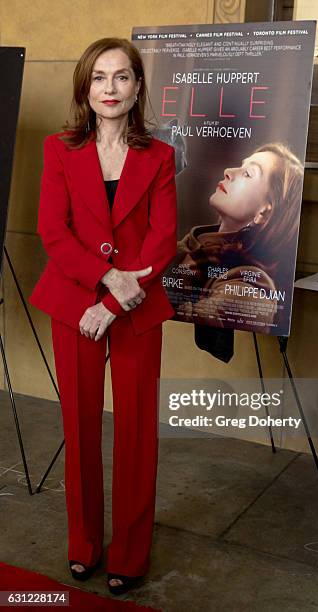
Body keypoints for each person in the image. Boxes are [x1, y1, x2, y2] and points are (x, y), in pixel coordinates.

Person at [29, 37, 177, 596]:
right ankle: (84, 546)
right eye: (98, 78)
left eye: (120, 77)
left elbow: (162, 242)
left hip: (133, 310)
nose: (109, 89)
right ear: (84, 88)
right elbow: (52, 232)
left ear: (138, 87)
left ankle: (130, 554)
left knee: (138, 433)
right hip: (73, 304)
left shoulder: (159, 156)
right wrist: (103, 279)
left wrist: (114, 301)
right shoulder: (58, 149)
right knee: (80, 427)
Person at [172, 143, 304, 334]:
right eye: (240, 166)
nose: (228, 171)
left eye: (248, 173)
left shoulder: (253, 286)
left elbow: (178, 322)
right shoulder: (189, 248)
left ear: (264, 213)